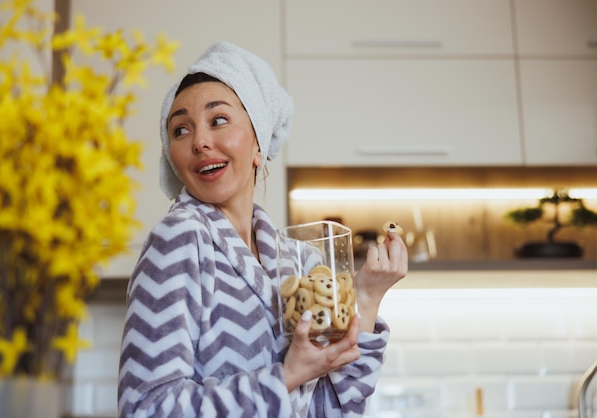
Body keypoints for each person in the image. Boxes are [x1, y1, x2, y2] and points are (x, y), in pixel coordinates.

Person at [118, 41, 408, 418]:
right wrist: (284, 376)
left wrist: (367, 298)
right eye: (180, 130)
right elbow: (145, 408)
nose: (200, 141)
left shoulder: (300, 260)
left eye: (218, 120)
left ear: (258, 142)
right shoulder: (178, 239)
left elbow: (334, 409)